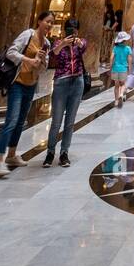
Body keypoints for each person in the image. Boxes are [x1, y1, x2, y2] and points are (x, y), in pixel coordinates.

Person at [0, 10, 53, 177]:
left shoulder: (46, 43)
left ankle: (11, 155)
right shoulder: (28, 34)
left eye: (51, 23)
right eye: (47, 21)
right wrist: (28, 60)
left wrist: (40, 61)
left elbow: (43, 67)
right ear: (39, 21)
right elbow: (11, 52)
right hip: (17, 83)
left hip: (31, 84)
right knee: (11, 121)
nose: (49, 25)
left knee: (20, 121)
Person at [43, 17, 87, 167]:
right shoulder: (57, 43)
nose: (72, 34)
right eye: (69, 30)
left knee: (70, 121)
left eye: (74, 31)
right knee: (56, 120)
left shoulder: (81, 43)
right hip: (61, 82)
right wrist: (63, 44)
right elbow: (53, 55)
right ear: (64, 30)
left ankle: (64, 152)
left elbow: (84, 48)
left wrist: (78, 43)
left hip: (77, 82)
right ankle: (50, 152)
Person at [110, 29, 131, 107]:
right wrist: (130, 68)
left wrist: (111, 67)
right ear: (125, 40)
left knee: (116, 85)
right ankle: (121, 94)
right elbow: (129, 60)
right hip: (123, 69)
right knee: (123, 84)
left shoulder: (115, 48)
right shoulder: (128, 48)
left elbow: (111, 58)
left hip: (115, 68)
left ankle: (116, 101)